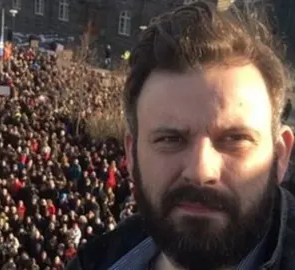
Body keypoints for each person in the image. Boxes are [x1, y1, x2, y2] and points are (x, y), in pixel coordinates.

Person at [67, 2, 295, 270]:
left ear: (280, 155)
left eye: (234, 139)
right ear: (131, 153)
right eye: (170, 139)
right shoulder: (94, 262)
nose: (200, 171)